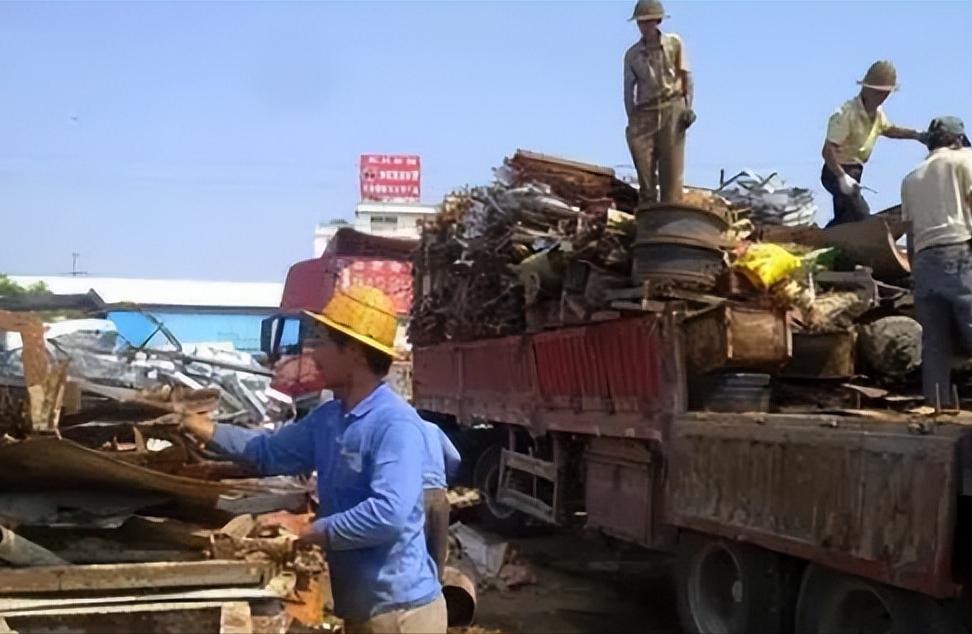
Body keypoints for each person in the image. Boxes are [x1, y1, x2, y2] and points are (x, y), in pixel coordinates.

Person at [181, 286, 446, 634]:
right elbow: (267, 451)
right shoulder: (329, 419)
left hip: (401, 615)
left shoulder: (394, 424)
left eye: (322, 341)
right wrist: (199, 427)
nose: (313, 352)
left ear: (353, 352)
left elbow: (388, 515)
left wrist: (305, 529)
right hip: (366, 610)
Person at [900, 117, 972, 408]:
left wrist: (915, 268)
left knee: (935, 340)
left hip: (926, 258)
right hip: (959, 250)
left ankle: (936, 402)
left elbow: (909, 231)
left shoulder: (911, 177)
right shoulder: (963, 160)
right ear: (957, 140)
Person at [822, 60, 925, 227]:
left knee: (846, 219)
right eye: (879, 92)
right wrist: (841, 177)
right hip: (835, 171)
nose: (883, 97)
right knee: (861, 214)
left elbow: (889, 130)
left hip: (855, 171)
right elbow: (827, 151)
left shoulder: (877, 114)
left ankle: (825, 241)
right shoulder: (846, 114)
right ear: (866, 88)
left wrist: (915, 135)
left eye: (886, 93)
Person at [623, 0, 694, 206]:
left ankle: (669, 215)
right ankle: (648, 211)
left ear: (657, 21)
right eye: (641, 23)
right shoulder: (632, 54)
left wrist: (688, 108)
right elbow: (628, 90)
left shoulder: (674, 44)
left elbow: (686, 77)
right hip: (644, 112)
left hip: (672, 106)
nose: (644, 27)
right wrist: (632, 119)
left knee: (671, 170)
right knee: (643, 165)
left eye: (648, 22)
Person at [420, 420, 461, 582]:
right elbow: (455, 458)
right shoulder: (434, 428)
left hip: (415, 493)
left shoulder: (400, 430)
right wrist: (447, 479)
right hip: (439, 492)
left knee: (417, 546)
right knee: (439, 546)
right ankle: (437, 585)